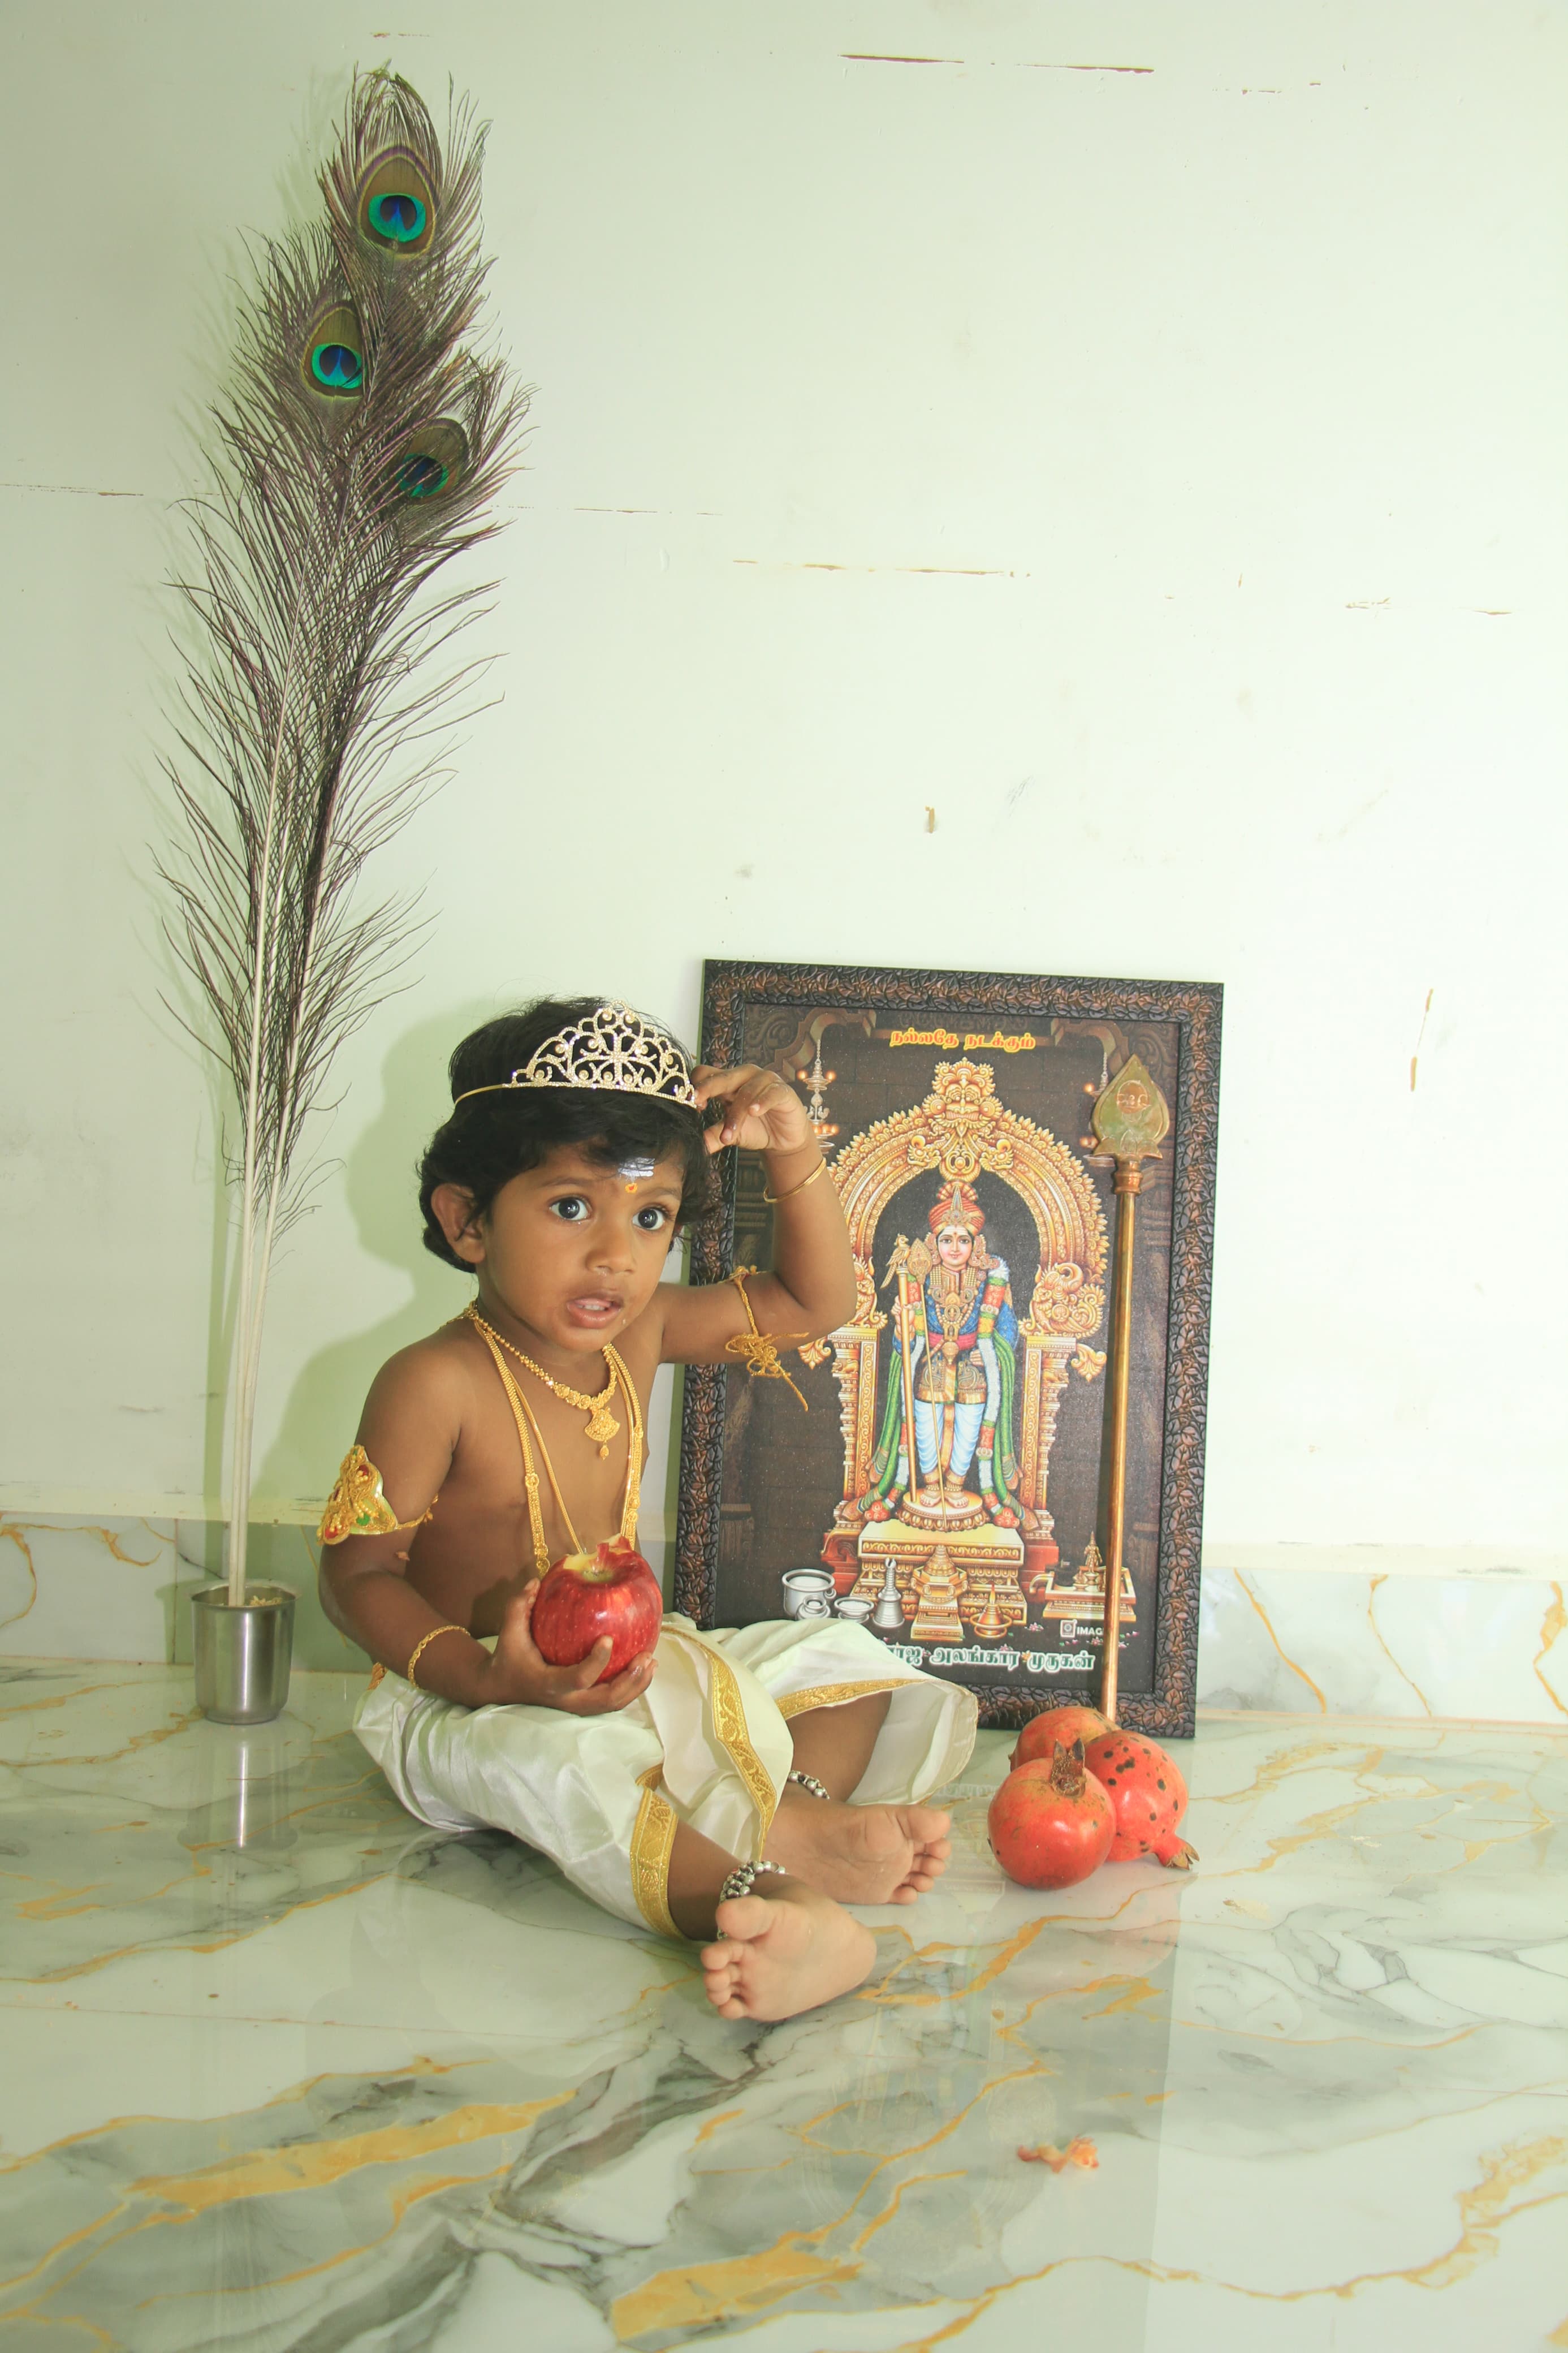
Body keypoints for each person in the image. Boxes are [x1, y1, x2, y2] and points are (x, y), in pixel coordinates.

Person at [318, 998, 977, 2023]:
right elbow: (355, 1575)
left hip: (629, 1662)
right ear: (466, 1220)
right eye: (572, 1207)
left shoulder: (646, 1329)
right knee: (567, 1768)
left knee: (848, 1662)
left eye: (652, 1216)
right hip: (463, 1699)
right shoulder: (432, 1381)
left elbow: (817, 1306)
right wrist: (486, 1674)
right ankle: (754, 1898)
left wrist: (790, 1150)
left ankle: (794, 1819)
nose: (618, 1256)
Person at [861, 1178, 1025, 1527]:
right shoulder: (920, 1277)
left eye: (963, 1240)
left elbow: (1007, 1328)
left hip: (971, 1365)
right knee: (925, 1423)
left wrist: (991, 1350)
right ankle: (931, 1482)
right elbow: (902, 1340)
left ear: (975, 1244)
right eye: (947, 1240)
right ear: (935, 1244)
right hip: (931, 1361)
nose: (955, 1248)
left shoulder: (987, 1280)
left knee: (969, 1424)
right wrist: (904, 1329)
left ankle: (955, 1484)